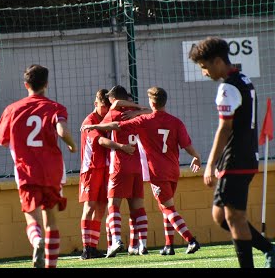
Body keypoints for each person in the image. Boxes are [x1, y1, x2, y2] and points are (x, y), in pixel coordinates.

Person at [188, 36, 275, 268]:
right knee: (221, 216)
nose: (204, 73)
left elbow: (224, 128)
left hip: (235, 158)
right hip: (247, 156)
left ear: (218, 61)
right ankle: (271, 249)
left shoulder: (227, 87)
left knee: (233, 217)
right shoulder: (243, 79)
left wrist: (210, 163)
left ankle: (266, 253)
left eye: (204, 67)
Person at [84, 86, 202, 255]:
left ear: (151, 102)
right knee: (164, 206)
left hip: (155, 171)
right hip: (173, 170)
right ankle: (167, 245)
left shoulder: (144, 120)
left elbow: (117, 126)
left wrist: (95, 124)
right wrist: (196, 156)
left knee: (166, 208)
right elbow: (187, 145)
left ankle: (190, 240)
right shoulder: (175, 121)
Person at [0, 64, 78, 268]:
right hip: (52, 171)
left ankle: (36, 239)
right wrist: (72, 145)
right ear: (46, 84)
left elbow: (2, 139)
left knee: (32, 217)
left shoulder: (12, 109)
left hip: (26, 171)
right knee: (51, 220)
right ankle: (51, 265)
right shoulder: (55, 108)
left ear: (26, 85)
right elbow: (62, 131)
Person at [90, 85, 149, 258]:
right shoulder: (138, 115)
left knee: (113, 205)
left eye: (110, 99)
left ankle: (115, 240)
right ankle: (141, 244)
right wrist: (138, 109)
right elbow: (148, 112)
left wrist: (90, 127)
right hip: (138, 166)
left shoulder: (113, 114)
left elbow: (100, 134)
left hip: (120, 165)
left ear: (114, 99)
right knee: (137, 207)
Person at [79, 89, 136, 260]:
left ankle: (93, 246)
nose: (106, 110)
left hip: (105, 168)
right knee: (89, 207)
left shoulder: (108, 117)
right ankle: (85, 247)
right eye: (103, 106)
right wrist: (122, 147)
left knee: (101, 208)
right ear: (96, 104)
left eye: (108, 106)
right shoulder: (90, 121)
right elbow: (102, 141)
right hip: (91, 168)